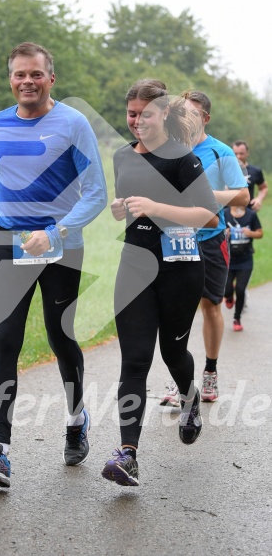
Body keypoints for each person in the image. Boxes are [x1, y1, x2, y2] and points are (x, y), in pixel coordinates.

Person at [0, 42, 107, 488]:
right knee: (6, 341)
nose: (27, 81)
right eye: (19, 75)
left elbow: (96, 192)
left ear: (51, 78)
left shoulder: (72, 123)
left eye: (36, 74)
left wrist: (58, 230)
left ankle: (76, 418)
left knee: (59, 336)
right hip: (9, 242)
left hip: (61, 246)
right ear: (10, 78)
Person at [101, 79, 219, 487]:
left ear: (164, 114)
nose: (137, 121)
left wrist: (155, 207)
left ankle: (190, 400)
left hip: (181, 269)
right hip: (135, 265)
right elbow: (131, 210)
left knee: (173, 352)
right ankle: (127, 454)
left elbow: (209, 216)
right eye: (131, 114)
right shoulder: (121, 156)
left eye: (145, 114)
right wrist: (123, 209)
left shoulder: (182, 158)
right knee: (134, 359)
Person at [159, 90, 249, 406]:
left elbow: (243, 197)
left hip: (210, 241)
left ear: (205, 118)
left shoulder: (220, 151)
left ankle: (210, 372)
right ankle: (179, 377)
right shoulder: (167, 148)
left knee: (210, 305)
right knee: (175, 310)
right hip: (174, 239)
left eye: (193, 113)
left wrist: (208, 194)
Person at [224, 204, 263, 331]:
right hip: (228, 260)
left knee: (241, 290)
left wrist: (250, 233)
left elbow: (260, 233)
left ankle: (237, 318)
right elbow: (215, 231)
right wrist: (225, 233)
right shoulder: (225, 214)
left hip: (245, 260)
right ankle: (229, 295)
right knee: (226, 290)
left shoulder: (251, 214)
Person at [232, 140, 268, 212]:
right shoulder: (224, 170)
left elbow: (264, 188)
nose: (238, 156)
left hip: (248, 212)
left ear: (247, 153)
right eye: (235, 154)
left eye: (241, 153)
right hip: (227, 213)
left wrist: (259, 199)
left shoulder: (255, 171)